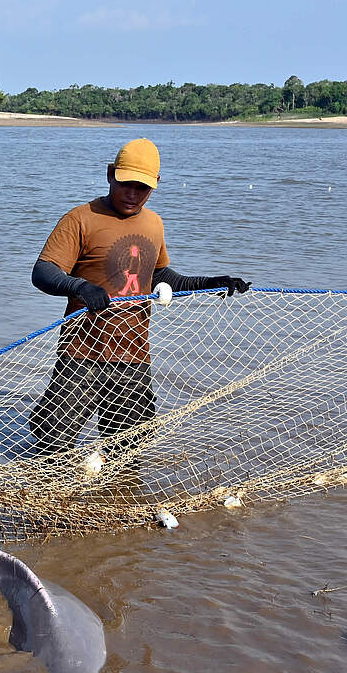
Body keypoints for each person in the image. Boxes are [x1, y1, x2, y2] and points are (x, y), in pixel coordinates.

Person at [29, 138, 252, 457]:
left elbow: (160, 276)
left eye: (142, 187)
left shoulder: (154, 224)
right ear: (110, 175)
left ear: (156, 185)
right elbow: (43, 272)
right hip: (81, 352)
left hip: (133, 354)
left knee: (129, 448)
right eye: (125, 184)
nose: (132, 194)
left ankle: (110, 500)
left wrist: (209, 282)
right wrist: (79, 287)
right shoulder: (81, 219)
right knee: (53, 440)